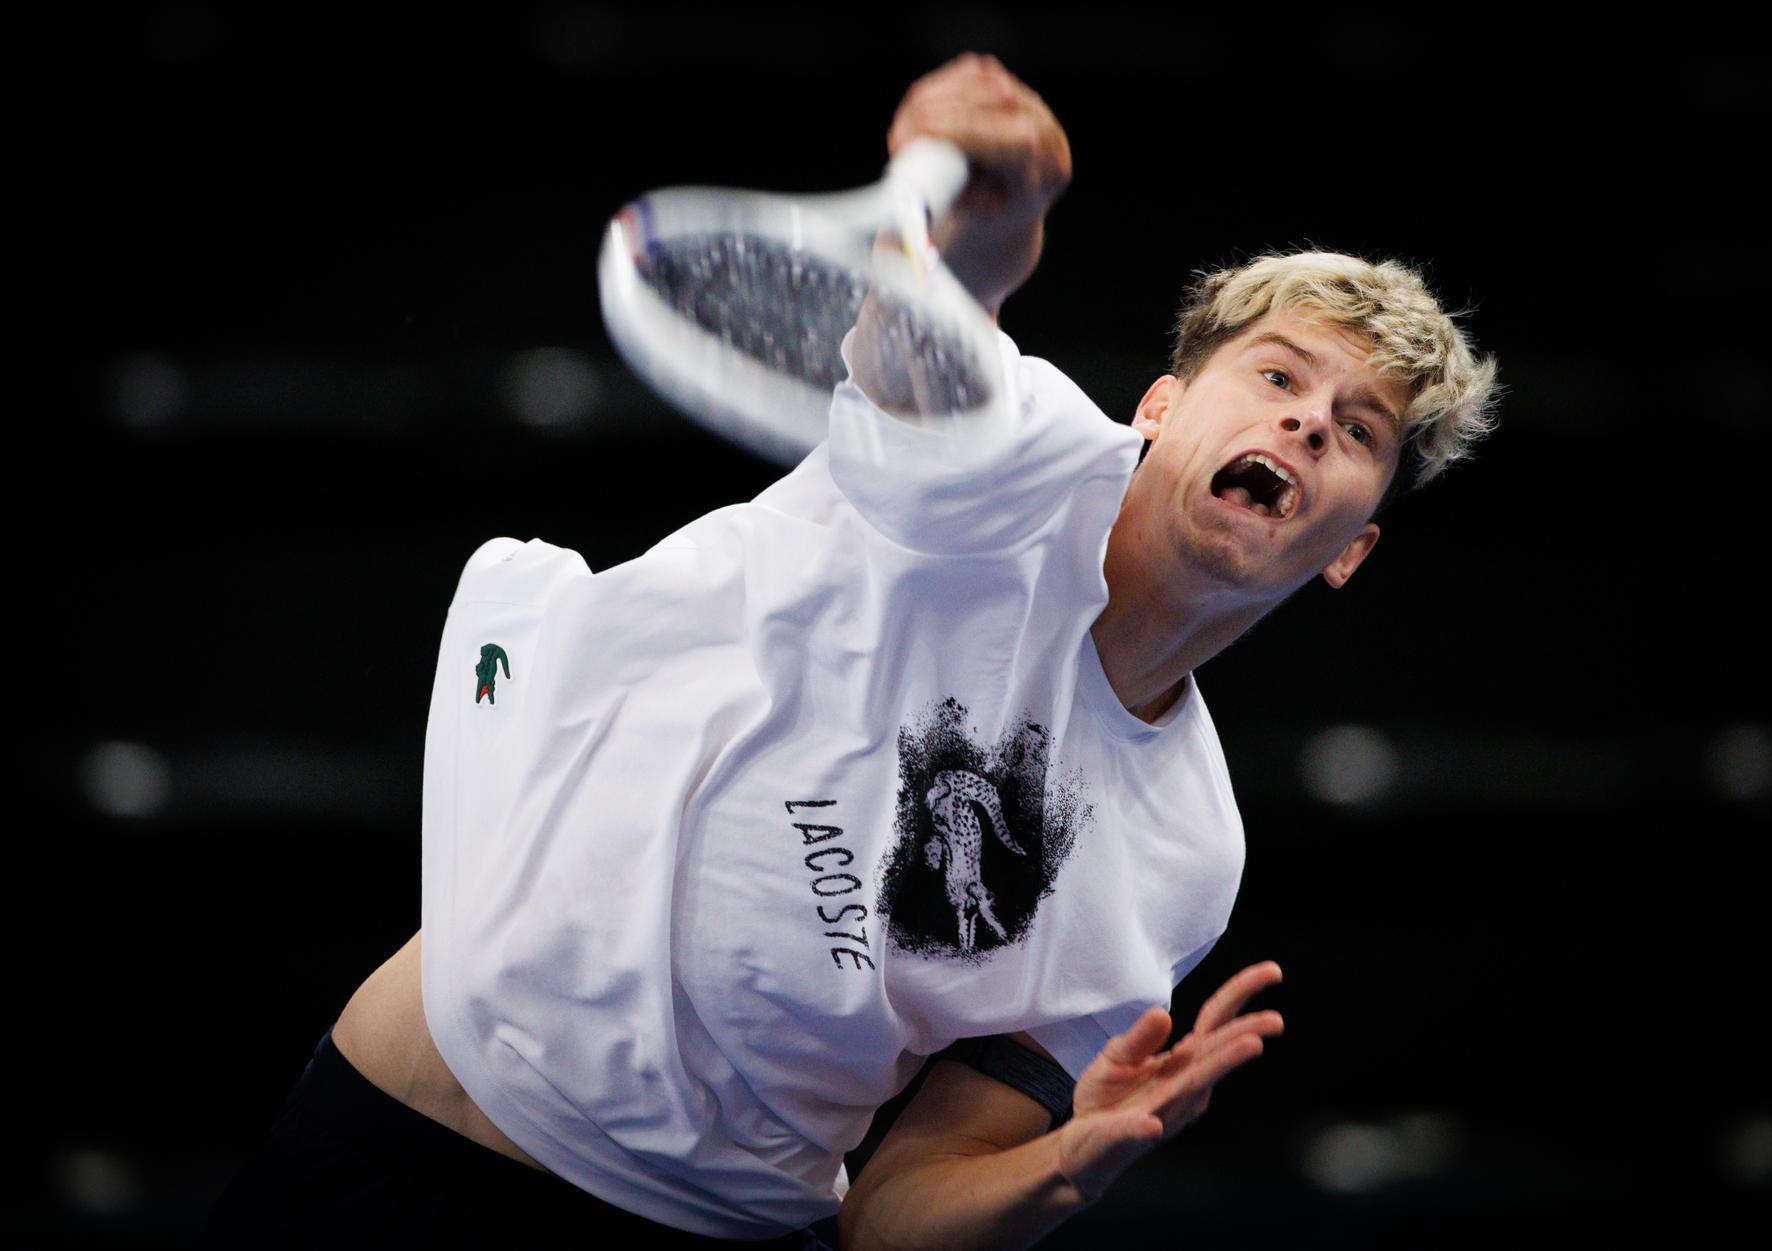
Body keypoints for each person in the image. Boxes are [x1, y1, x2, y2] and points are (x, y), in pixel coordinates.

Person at [208, 53, 1497, 1250]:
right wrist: (990, 233)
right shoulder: (1020, 463)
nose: (1309, 422)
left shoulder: (1184, 860)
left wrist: (1068, 1166)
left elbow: (894, 1214)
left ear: (1351, 549)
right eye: (1277, 376)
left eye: (1359, 429)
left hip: (722, 1228)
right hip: (412, 1133)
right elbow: (925, 345)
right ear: (1161, 408)